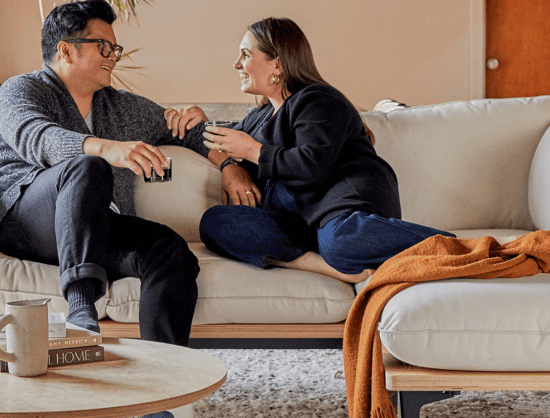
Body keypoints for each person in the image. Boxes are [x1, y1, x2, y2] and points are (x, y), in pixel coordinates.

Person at [0, 0, 215, 418]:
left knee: (170, 251)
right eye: (102, 46)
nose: (113, 55)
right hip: (26, 220)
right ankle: (82, 308)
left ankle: (161, 405)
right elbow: (38, 138)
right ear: (66, 51)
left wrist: (225, 157)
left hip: (90, 228)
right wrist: (103, 148)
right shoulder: (20, 90)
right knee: (87, 167)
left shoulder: (120, 107)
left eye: (115, 47)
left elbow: (183, 130)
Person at [194, 17, 453, 283]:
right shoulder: (260, 116)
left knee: (340, 243)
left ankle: (457, 246)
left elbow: (312, 167)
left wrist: (253, 151)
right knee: (216, 222)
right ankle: (324, 266)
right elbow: (218, 141)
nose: (237, 64)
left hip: (344, 212)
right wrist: (205, 134)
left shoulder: (318, 100)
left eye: (246, 54)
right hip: (301, 223)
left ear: (278, 64)